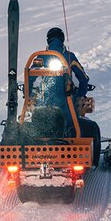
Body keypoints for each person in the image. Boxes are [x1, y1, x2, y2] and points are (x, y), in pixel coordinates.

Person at [46, 27, 101, 165]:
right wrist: (80, 95)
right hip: (68, 105)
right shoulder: (69, 56)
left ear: (48, 40)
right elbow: (83, 79)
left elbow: (30, 79)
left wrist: (30, 95)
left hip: (45, 103)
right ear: (62, 39)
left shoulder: (40, 57)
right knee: (86, 124)